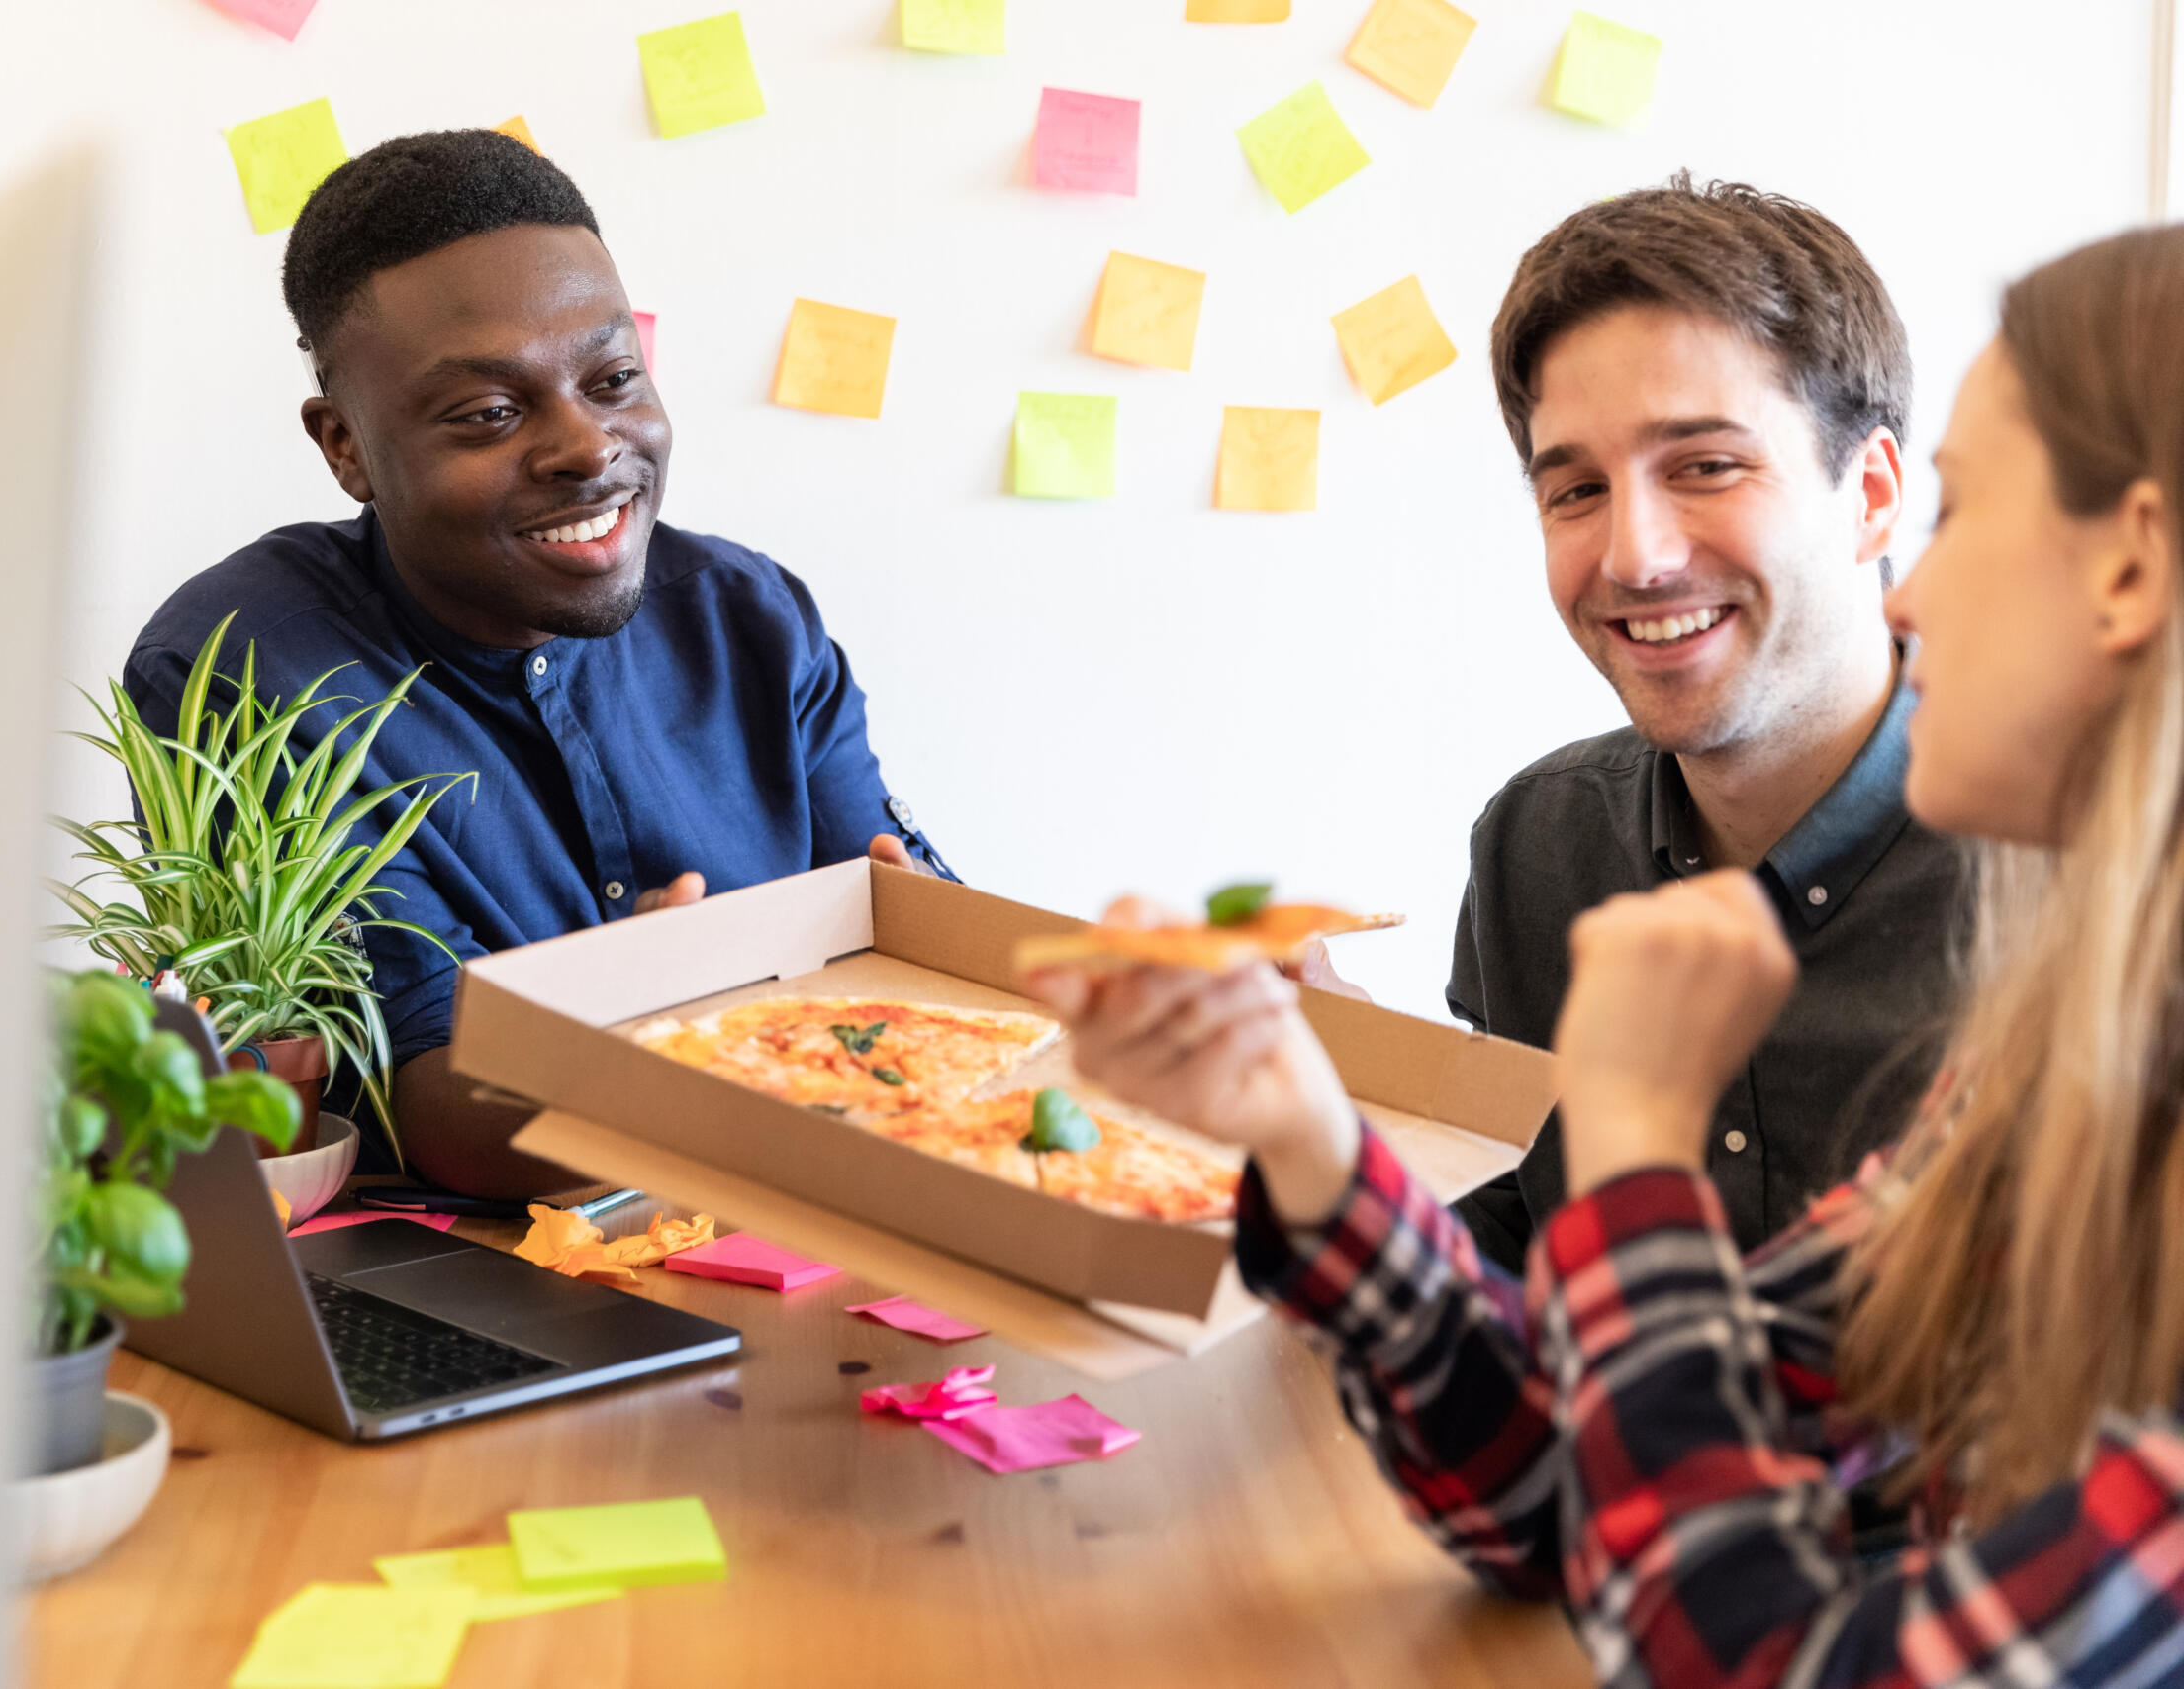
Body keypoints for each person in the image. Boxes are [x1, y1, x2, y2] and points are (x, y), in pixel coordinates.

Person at [1027, 224, 2184, 1686]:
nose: (1912, 596)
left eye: (1960, 512)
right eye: (1574, 486)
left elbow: (1749, 1658)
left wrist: (1635, 1145)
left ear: (2132, 565)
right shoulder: (2055, 1080)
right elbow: (1585, 1478)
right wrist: (1309, 1133)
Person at [125, 130, 944, 1197]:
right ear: (346, 447)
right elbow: (419, 1101)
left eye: (612, 378)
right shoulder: (251, 672)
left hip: (809, 1225)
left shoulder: (751, 619)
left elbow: (900, 937)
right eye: (491, 413)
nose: (586, 446)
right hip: (483, 1288)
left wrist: (948, 953)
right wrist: (641, 1033)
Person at [1431, 178, 1966, 1270]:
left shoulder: (2080, 875)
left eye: (1705, 466)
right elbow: (1505, 1245)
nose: (1632, 556)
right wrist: (1339, 1112)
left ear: (1870, 495)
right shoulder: (1532, 845)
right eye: (1574, 491)